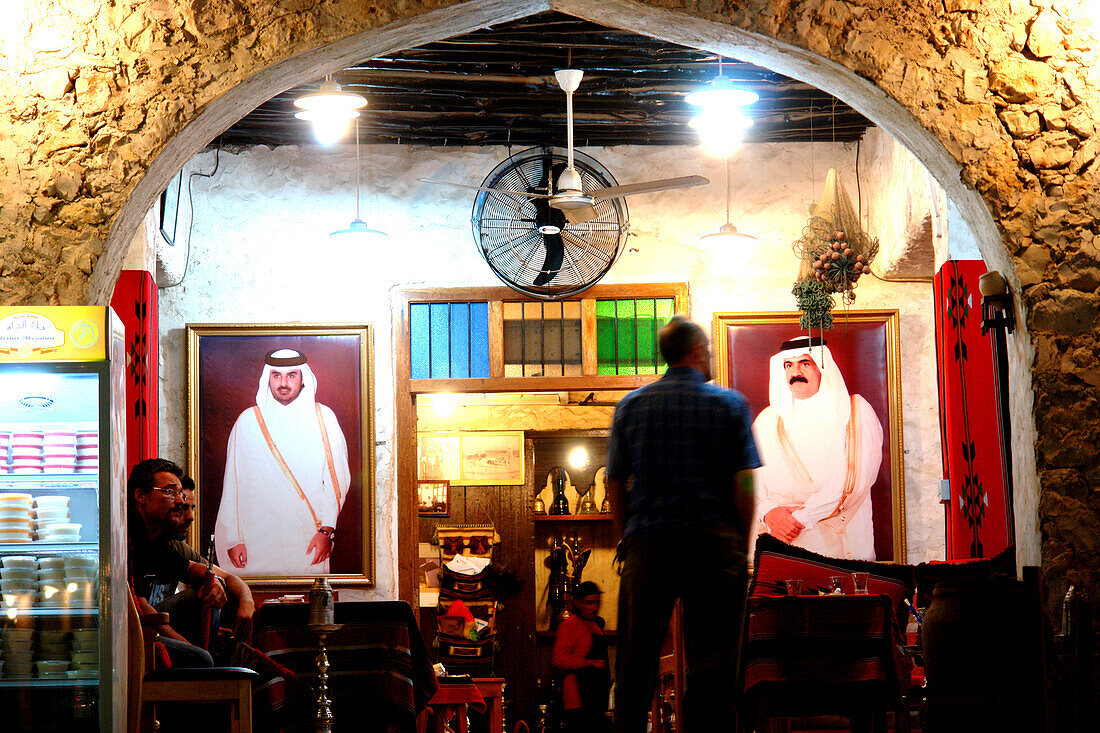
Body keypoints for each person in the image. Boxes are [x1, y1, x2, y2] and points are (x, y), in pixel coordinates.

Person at [605, 314, 759, 733]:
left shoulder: (631, 407)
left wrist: (627, 537)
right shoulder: (729, 405)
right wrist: (739, 547)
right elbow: (743, 482)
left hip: (649, 544)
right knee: (713, 660)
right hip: (713, 543)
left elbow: (615, 480)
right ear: (695, 352)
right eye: (706, 352)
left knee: (636, 657)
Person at [214, 348, 351, 575]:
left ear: (303, 378)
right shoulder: (248, 421)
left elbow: (338, 481)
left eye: (291, 375)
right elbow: (233, 485)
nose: (283, 383)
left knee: (307, 606)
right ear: (267, 378)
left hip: (308, 539)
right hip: (256, 540)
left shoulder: (323, 418)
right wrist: (233, 538)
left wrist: (326, 531)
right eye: (276, 375)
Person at [751, 336, 884, 561]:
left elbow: (853, 484)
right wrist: (768, 512)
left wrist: (799, 520)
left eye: (805, 363)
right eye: (788, 365)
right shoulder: (767, 420)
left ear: (822, 368)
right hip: (776, 538)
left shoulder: (854, 412)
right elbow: (751, 480)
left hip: (833, 542)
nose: (796, 373)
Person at [128, 458, 227, 668]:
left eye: (180, 493)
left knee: (204, 595)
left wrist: (213, 581)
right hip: (126, 632)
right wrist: (192, 650)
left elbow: (193, 569)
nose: (180, 501)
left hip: (146, 621)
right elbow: (142, 610)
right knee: (202, 660)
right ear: (141, 496)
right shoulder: (128, 535)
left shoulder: (157, 539)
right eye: (169, 492)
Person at [161, 475, 256, 648]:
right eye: (182, 508)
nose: (190, 516)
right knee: (203, 593)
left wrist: (247, 602)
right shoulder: (146, 543)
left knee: (224, 592)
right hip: (146, 630)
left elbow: (228, 578)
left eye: (193, 508)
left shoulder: (178, 547)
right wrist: (193, 650)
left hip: (164, 628)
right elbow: (142, 613)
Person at [552, 581, 611, 733]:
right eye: (589, 603)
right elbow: (559, 659)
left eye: (597, 603)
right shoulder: (570, 625)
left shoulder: (594, 625)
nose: (594, 607)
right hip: (578, 698)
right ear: (577, 603)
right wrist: (591, 663)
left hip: (596, 699)